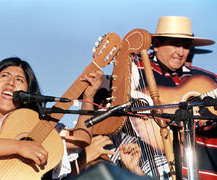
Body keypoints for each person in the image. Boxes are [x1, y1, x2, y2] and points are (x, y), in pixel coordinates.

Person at [77, 16, 217, 180]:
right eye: (174, 44)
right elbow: (99, 96)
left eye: (186, 46)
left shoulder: (207, 80)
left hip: (203, 165)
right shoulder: (135, 68)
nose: (181, 52)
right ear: (156, 45)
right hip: (148, 161)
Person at [0, 57, 103, 179]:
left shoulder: (35, 127)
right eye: (5, 76)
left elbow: (81, 138)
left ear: (28, 93)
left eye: (19, 80)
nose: (11, 83)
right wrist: (19, 146)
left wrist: (88, 97)